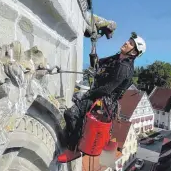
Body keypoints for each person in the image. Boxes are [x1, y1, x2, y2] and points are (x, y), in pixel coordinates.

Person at [58, 34, 146, 162]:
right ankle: (72, 139)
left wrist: (87, 94)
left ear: (134, 52)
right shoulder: (118, 58)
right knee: (77, 115)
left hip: (103, 100)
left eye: (131, 43)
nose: (126, 42)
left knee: (71, 114)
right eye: (128, 40)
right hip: (99, 95)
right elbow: (100, 63)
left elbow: (107, 89)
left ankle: (73, 150)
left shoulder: (124, 68)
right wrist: (93, 53)